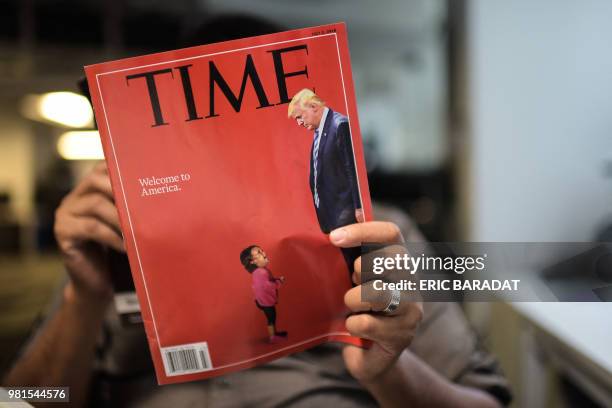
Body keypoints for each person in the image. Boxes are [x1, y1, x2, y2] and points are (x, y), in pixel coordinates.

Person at [3, 163, 511, 407]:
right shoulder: (110, 245)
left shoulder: (378, 235)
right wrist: (82, 300)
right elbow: (20, 401)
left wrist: (390, 373)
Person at [288, 89, 364, 275]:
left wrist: (359, 207)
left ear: (313, 107)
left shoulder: (340, 125)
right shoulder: (319, 131)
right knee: (353, 273)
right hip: (334, 214)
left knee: (362, 271)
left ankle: (386, 303)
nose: (299, 123)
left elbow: (352, 168)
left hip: (347, 213)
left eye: (300, 116)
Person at [240, 245, 287, 343]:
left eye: (262, 251)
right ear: (252, 261)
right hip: (266, 302)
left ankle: (275, 333)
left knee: (272, 317)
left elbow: (268, 281)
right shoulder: (260, 272)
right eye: (259, 253)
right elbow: (267, 286)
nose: (263, 253)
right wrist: (279, 282)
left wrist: (276, 280)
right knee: (271, 318)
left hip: (264, 300)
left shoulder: (261, 271)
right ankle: (273, 337)